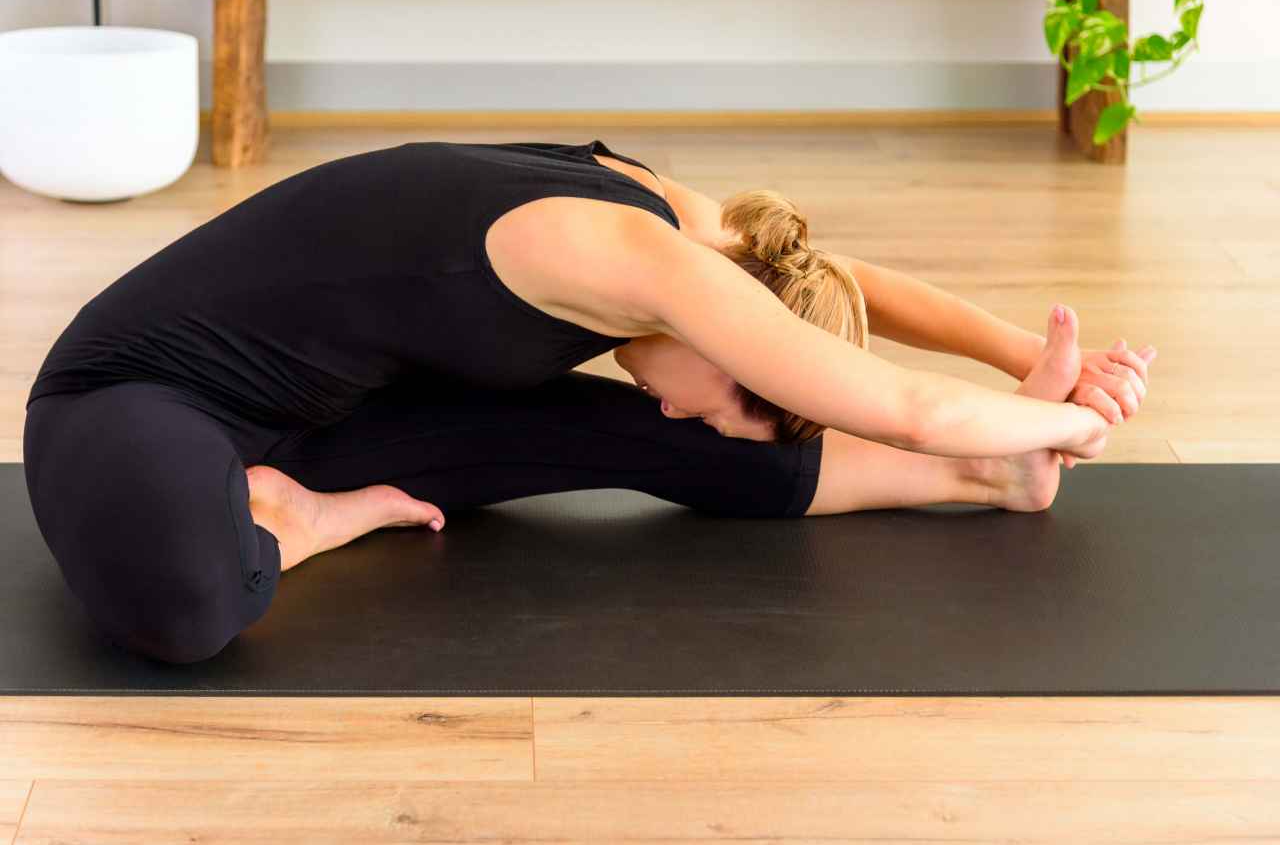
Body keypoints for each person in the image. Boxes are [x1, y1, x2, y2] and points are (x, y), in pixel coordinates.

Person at [21, 138, 1155, 665]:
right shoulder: (626, 254)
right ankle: (305, 523)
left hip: (327, 418)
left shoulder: (722, 235)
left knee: (642, 435)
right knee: (187, 607)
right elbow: (905, 402)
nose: (683, 410)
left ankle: (992, 481)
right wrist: (1077, 419)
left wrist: (1020, 358)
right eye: (729, 391)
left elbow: (843, 285)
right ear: (731, 326)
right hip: (139, 400)